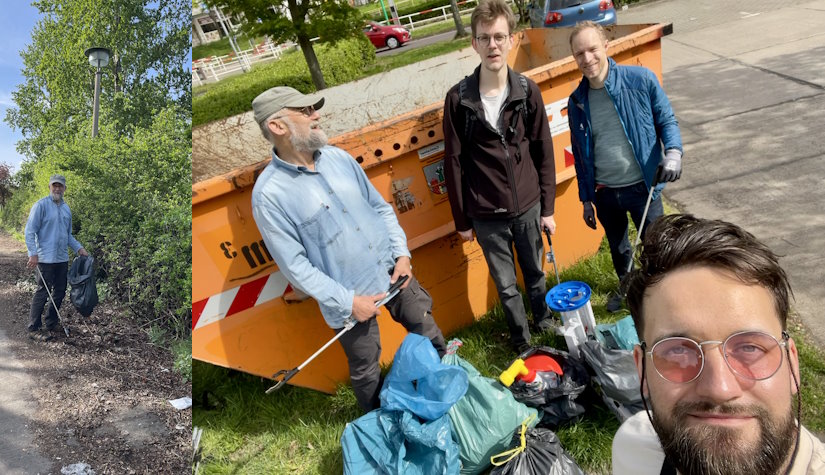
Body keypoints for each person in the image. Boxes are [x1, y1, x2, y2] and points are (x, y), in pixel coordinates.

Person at [250, 86, 447, 412]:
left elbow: (380, 208)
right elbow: (295, 267)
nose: (316, 115)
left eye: (313, 108)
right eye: (305, 111)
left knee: (428, 331)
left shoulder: (339, 159)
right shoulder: (270, 195)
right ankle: (380, 426)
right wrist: (349, 302)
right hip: (349, 301)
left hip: (394, 273)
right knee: (367, 369)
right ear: (277, 126)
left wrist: (402, 256)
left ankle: (447, 389)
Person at [613, 214, 825, 475]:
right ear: (642, 370)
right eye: (678, 350)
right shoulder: (632, 451)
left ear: (792, 362)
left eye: (750, 347)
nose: (719, 389)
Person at [442, 0, 557, 353]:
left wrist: (547, 207)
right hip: (486, 215)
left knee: (536, 274)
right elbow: (454, 162)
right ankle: (522, 341)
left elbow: (543, 149)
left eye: (499, 37)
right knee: (506, 284)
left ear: (510, 40)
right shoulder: (458, 100)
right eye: (484, 38)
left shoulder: (527, 90)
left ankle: (546, 322)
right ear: (474, 44)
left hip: (528, 207)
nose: (492, 45)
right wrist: (462, 220)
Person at [567, 21, 683, 312]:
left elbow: (666, 120)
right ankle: (628, 288)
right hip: (606, 192)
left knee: (656, 247)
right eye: (579, 53)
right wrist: (586, 200)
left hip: (643, 186)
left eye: (592, 49)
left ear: (606, 46)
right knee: (619, 248)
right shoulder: (577, 101)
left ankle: (662, 295)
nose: (587, 58)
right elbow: (580, 156)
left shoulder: (641, 80)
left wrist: (673, 153)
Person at [25, 174, 89, 337]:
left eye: (60, 186)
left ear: (64, 188)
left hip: (61, 259)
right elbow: (30, 231)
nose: (57, 188)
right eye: (54, 185)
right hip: (45, 258)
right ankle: (34, 327)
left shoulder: (67, 209)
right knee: (42, 292)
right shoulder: (41, 206)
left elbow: (68, 235)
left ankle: (51, 322)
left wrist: (79, 248)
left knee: (60, 292)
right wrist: (32, 254)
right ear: (49, 187)